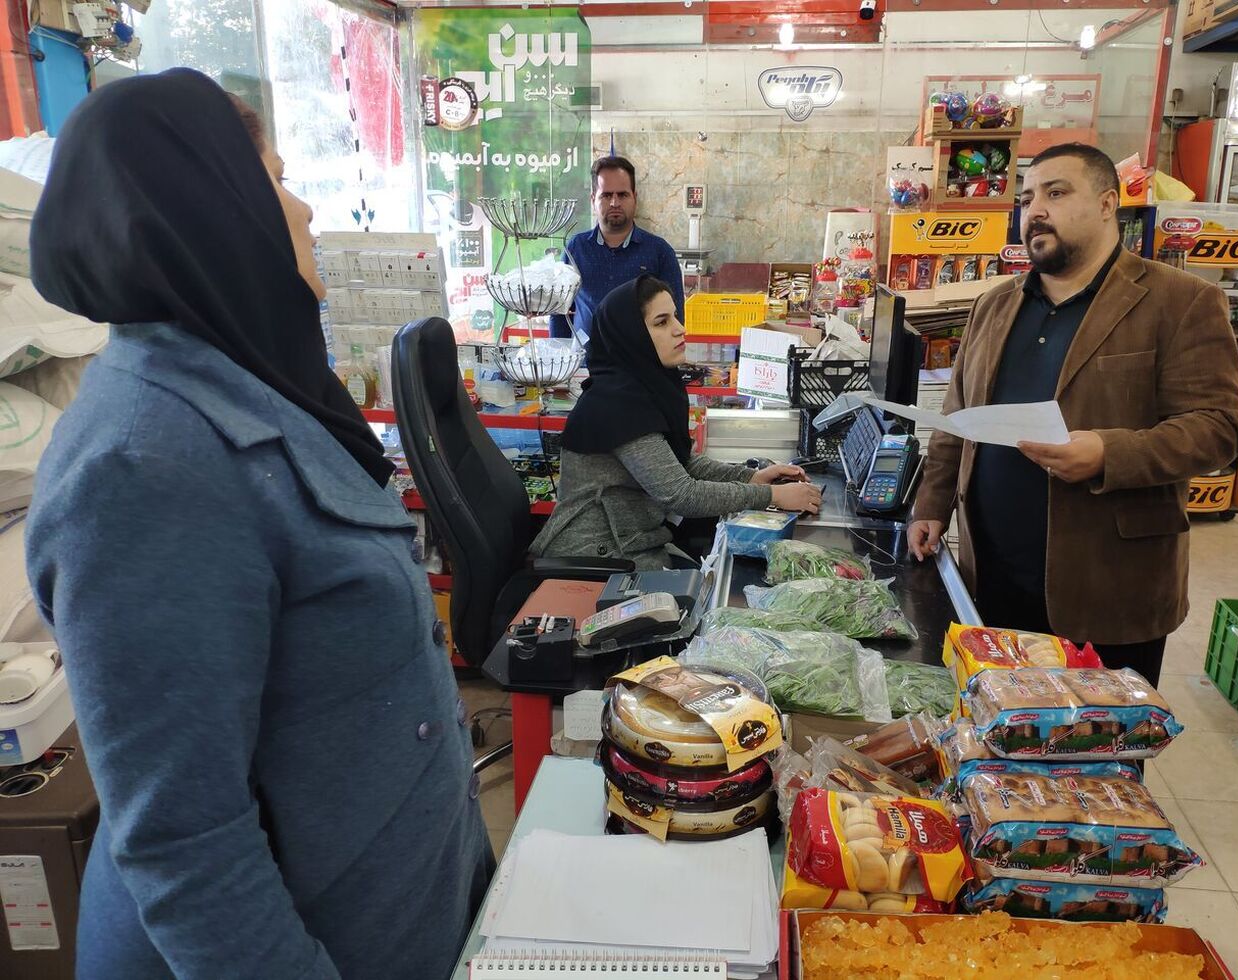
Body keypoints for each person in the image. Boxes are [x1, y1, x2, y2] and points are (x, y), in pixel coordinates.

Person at [24, 69, 492, 979]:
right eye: (277, 179)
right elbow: (188, 847)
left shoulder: (252, 389)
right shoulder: (144, 464)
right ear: (212, 206)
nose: (306, 210)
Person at [907, 142, 1238, 689]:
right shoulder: (995, 305)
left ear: (1108, 204)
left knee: (1099, 739)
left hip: (1107, 590)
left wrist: (1109, 453)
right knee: (998, 732)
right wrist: (932, 505)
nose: (1035, 210)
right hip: (991, 581)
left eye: (1056, 193)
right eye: (1026, 199)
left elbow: (1219, 428)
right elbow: (957, 419)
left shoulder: (1180, 301)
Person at [532, 275, 820, 568]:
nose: (680, 328)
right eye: (662, 322)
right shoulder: (616, 404)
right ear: (632, 335)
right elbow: (681, 494)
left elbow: (682, 463)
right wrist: (773, 495)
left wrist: (751, 477)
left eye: (675, 317)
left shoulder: (644, 386)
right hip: (596, 557)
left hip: (631, 542)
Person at [549, 156, 685, 342]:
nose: (615, 202)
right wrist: (558, 355)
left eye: (622, 195)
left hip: (640, 360)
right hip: (586, 360)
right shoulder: (575, 249)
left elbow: (675, 320)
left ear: (635, 198)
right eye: (606, 195)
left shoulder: (660, 252)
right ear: (593, 200)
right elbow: (559, 313)